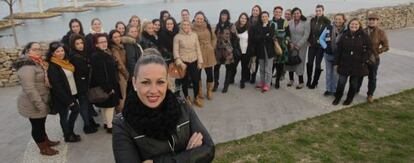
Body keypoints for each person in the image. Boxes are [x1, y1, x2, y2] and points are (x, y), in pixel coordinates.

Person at [112, 54, 215, 162]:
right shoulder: (122, 124)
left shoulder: (182, 106)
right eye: (145, 82)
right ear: (134, 83)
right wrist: (189, 155)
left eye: (160, 82)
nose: (153, 90)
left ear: (167, 82)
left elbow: (208, 149)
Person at [13, 42, 60, 156]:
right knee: (37, 126)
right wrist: (40, 104)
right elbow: (29, 89)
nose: (38, 51)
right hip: (32, 102)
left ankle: (45, 141)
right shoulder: (26, 66)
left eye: (39, 49)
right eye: (35, 49)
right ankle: (43, 148)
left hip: (41, 99)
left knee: (41, 123)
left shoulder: (37, 62)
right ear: (28, 51)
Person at [332, 18, 372, 106]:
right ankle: (338, 97)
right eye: (352, 24)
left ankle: (349, 99)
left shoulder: (364, 36)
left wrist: (363, 59)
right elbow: (339, 50)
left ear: (359, 25)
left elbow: (369, 50)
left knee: (353, 84)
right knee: (341, 82)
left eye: (356, 24)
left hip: (357, 65)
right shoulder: (344, 35)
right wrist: (336, 63)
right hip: (344, 64)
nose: (354, 26)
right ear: (349, 25)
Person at [46, 41, 81, 142]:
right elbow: (57, 86)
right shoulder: (53, 66)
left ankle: (70, 133)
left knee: (70, 113)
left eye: (62, 51)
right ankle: (68, 135)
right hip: (63, 96)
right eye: (58, 51)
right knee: (66, 115)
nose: (61, 53)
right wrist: (68, 100)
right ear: (52, 53)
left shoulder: (65, 62)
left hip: (71, 93)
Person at [90, 33, 121, 133]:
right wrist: (108, 88)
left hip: (109, 83)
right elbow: (99, 74)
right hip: (107, 85)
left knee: (104, 106)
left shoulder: (103, 53)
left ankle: (105, 123)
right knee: (110, 106)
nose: (104, 43)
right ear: (96, 44)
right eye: (101, 42)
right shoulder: (97, 56)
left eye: (105, 41)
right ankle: (110, 126)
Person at [68, 34, 98, 134]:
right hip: (81, 86)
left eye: (81, 43)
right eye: (77, 44)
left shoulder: (80, 54)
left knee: (87, 104)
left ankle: (91, 122)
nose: (80, 45)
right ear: (73, 45)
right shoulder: (76, 56)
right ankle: (87, 126)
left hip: (83, 84)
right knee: (84, 105)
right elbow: (84, 70)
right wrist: (89, 66)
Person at [357, 13, 389, 103]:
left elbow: (386, 46)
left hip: (373, 59)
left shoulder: (381, 32)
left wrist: (376, 51)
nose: (371, 21)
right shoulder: (362, 31)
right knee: (359, 75)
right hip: (362, 58)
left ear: (377, 21)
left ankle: (370, 94)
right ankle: (356, 90)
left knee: (372, 77)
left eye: (373, 20)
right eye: (370, 20)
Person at [173, 20, 204, 107]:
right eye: (184, 25)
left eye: (188, 25)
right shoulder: (177, 37)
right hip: (183, 62)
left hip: (194, 60)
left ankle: (196, 97)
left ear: (190, 26)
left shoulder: (194, 35)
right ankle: (187, 97)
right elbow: (175, 51)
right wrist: (179, 62)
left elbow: (198, 48)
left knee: (196, 81)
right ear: (181, 26)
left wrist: (200, 61)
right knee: (185, 82)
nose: (186, 26)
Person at [319, 13, 347, 96]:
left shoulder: (346, 30)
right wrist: (325, 46)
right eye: (336, 19)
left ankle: (334, 90)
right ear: (334, 19)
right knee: (328, 73)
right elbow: (321, 39)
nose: (338, 21)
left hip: (339, 57)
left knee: (336, 74)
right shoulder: (329, 27)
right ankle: (328, 89)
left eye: (340, 19)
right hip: (328, 54)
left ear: (343, 20)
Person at [192, 11, 217, 100]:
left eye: (201, 18)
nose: (199, 20)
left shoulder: (208, 27)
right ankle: (199, 90)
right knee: (197, 74)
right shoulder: (191, 28)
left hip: (208, 52)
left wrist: (212, 47)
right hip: (197, 53)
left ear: (204, 19)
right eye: (198, 18)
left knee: (210, 73)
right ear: (194, 18)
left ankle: (209, 90)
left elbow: (214, 38)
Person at [307, 4, 331, 89]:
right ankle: (309, 80)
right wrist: (309, 41)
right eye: (316, 11)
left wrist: (325, 45)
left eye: (319, 11)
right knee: (309, 63)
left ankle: (315, 82)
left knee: (317, 64)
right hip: (312, 45)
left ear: (323, 11)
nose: (318, 12)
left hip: (320, 46)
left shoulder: (327, 21)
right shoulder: (312, 20)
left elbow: (328, 34)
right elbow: (309, 32)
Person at [286, 7, 310, 89]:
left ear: (300, 13)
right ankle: (291, 80)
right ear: (292, 14)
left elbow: (306, 35)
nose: (296, 15)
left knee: (300, 63)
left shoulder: (306, 22)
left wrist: (298, 45)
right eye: (295, 13)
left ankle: (301, 82)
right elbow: (287, 34)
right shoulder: (290, 22)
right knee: (290, 61)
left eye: (298, 13)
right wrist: (290, 43)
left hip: (301, 46)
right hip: (291, 45)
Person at [213, 10, 236, 93]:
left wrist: (233, 49)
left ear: (227, 16)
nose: (223, 16)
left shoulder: (231, 25)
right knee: (216, 68)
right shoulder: (218, 25)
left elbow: (235, 38)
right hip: (218, 50)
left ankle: (226, 86)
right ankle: (216, 84)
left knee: (228, 68)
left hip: (228, 51)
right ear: (220, 16)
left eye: (225, 15)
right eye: (222, 15)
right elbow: (215, 37)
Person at [253, 11, 276, 92]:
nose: (264, 18)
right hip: (260, 50)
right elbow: (256, 38)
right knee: (262, 68)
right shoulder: (258, 26)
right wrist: (265, 35)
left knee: (268, 69)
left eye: (265, 16)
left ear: (268, 17)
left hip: (269, 50)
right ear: (261, 17)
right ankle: (262, 82)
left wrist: (263, 36)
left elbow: (271, 37)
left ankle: (267, 84)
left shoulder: (271, 25)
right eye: (262, 16)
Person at [109, 30, 129, 113]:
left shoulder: (120, 46)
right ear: (111, 39)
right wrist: (126, 74)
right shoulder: (114, 49)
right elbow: (120, 64)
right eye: (115, 37)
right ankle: (121, 115)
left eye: (118, 36)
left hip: (121, 74)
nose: (117, 39)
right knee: (122, 96)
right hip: (120, 75)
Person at [271, 6, 291, 89]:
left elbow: (288, 34)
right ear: (274, 12)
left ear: (281, 13)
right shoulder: (270, 22)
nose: (278, 13)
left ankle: (277, 81)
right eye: (276, 11)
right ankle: (269, 80)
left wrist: (286, 41)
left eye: (279, 12)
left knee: (280, 65)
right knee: (271, 64)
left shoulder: (285, 22)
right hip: (272, 45)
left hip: (282, 46)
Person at [122, 25, 144, 94]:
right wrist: (137, 72)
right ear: (127, 32)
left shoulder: (135, 41)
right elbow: (131, 60)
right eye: (132, 32)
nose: (134, 33)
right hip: (134, 73)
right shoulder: (129, 43)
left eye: (135, 31)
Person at [234, 13, 250, 89]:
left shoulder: (249, 28)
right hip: (236, 51)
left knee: (244, 67)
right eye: (242, 18)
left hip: (245, 51)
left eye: (245, 18)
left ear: (247, 20)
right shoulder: (235, 27)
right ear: (239, 18)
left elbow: (251, 40)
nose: (243, 19)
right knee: (233, 66)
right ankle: (231, 78)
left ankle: (242, 81)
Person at [249, 5, 263, 84]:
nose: (254, 12)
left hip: (258, 44)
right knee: (250, 61)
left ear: (259, 12)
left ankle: (254, 76)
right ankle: (249, 76)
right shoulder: (249, 20)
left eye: (256, 10)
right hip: (249, 44)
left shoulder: (261, 20)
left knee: (257, 61)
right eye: (253, 10)